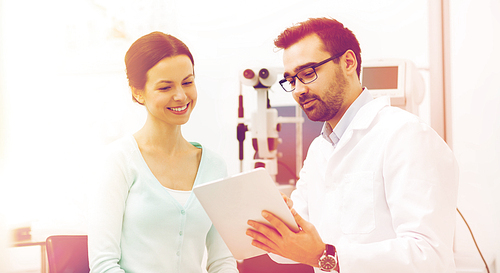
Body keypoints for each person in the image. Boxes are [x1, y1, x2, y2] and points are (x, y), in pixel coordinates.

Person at [246, 17, 459, 273]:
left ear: (348, 62)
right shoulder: (318, 151)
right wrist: (277, 221)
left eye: (308, 73)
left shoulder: (406, 135)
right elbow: (291, 252)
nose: (298, 90)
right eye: (291, 80)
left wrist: (328, 256)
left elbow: (430, 256)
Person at [87, 32, 238, 273]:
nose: (181, 96)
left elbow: (222, 262)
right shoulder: (119, 160)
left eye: (187, 82)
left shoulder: (214, 166)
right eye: (165, 87)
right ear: (138, 92)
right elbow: (103, 265)